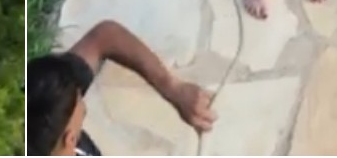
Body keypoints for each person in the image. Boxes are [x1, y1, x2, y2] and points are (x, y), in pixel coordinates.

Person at [27, 20, 216, 156]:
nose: (80, 97)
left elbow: (105, 37)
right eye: (81, 108)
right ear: (70, 140)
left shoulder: (42, 102)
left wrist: (173, 88)